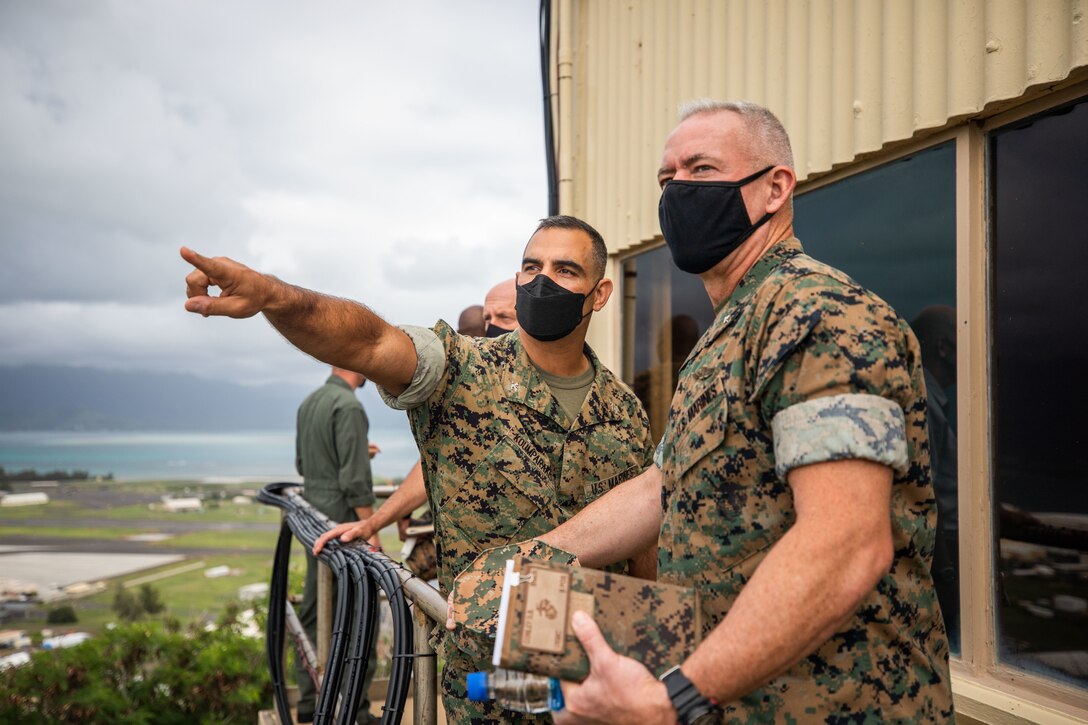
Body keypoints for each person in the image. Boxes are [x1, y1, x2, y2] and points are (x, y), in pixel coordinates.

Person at [535, 101, 954, 723]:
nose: (677, 192)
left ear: (774, 188)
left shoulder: (816, 312)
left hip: (838, 706)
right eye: (667, 179)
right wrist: (535, 557)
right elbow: (663, 486)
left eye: (700, 170)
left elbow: (845, 544)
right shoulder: (728, 330)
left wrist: (671, 697)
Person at [181, 214, 655, 724]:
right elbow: (369, 343)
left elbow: (642, 544)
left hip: (595, 675)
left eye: (565, 270)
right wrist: (275, 296)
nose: (542, 281)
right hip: (489, 679)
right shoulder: (459, 369)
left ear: (600, 293)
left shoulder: (624, 412)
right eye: (530, 266)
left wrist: (651, 652)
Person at [294, 366, 381, 724]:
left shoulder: (310, 402)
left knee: (315, 611)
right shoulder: (349, 407)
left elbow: (304, 464)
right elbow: (354, 481)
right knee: (361, 614)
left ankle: (309, 703)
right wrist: (371, 529)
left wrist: (361, 452)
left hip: (314, 521)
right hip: (344, 527)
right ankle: (356, 713)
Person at [911, 304, 959, 649]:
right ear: (944, 348)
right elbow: (928, 492)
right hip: (946, 552)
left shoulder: (933, 400)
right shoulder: (925, 403)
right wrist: (944, 575)